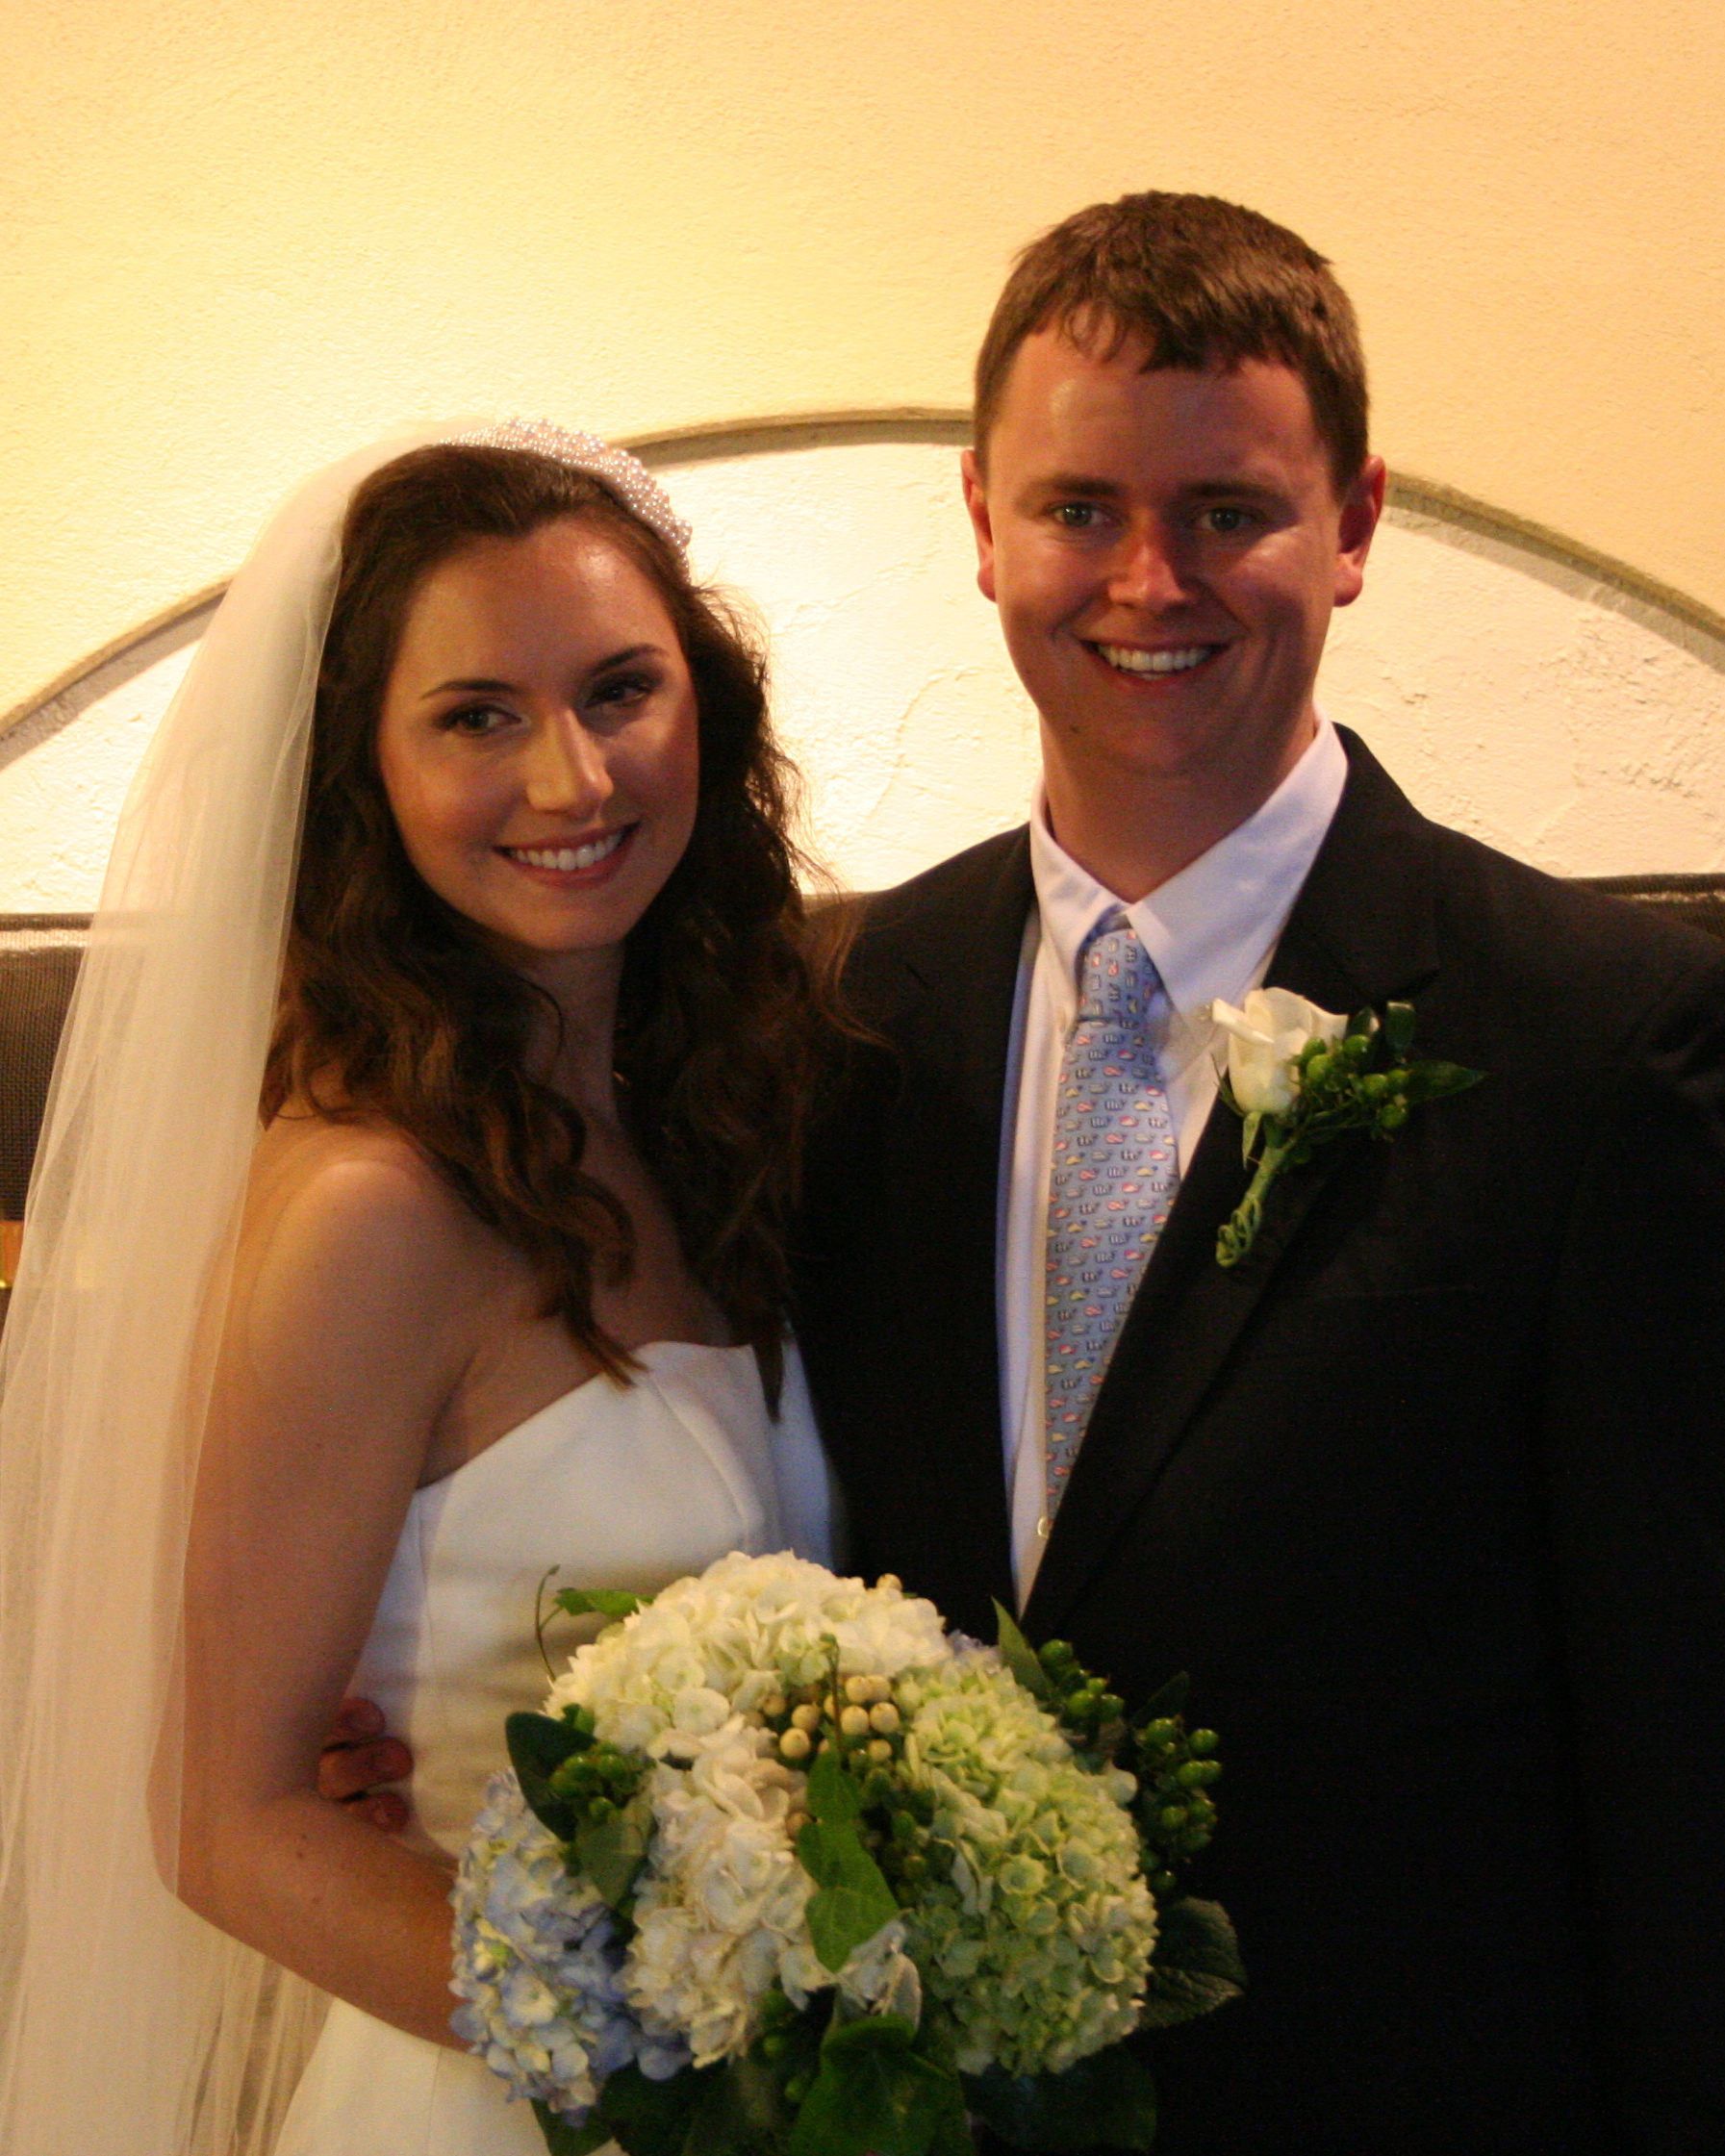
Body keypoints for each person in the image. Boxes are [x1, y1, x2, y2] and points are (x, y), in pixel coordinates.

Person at [790, 193, 1725, 2151]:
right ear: (981, 522)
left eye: (1228, 510)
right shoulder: (832, 1015)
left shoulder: (1604, 1035)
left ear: (1354, 522)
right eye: (1080, 508)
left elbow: (1680, 1725)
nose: (1150, 579)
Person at [0, 421, 834, 2155]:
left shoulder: (713, 1122)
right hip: (508, 2092)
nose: (574, 779)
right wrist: (678, 2069)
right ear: (358, 770)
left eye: (620, 691)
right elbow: (224, 1819)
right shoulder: (373, 1208)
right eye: (477, 718)